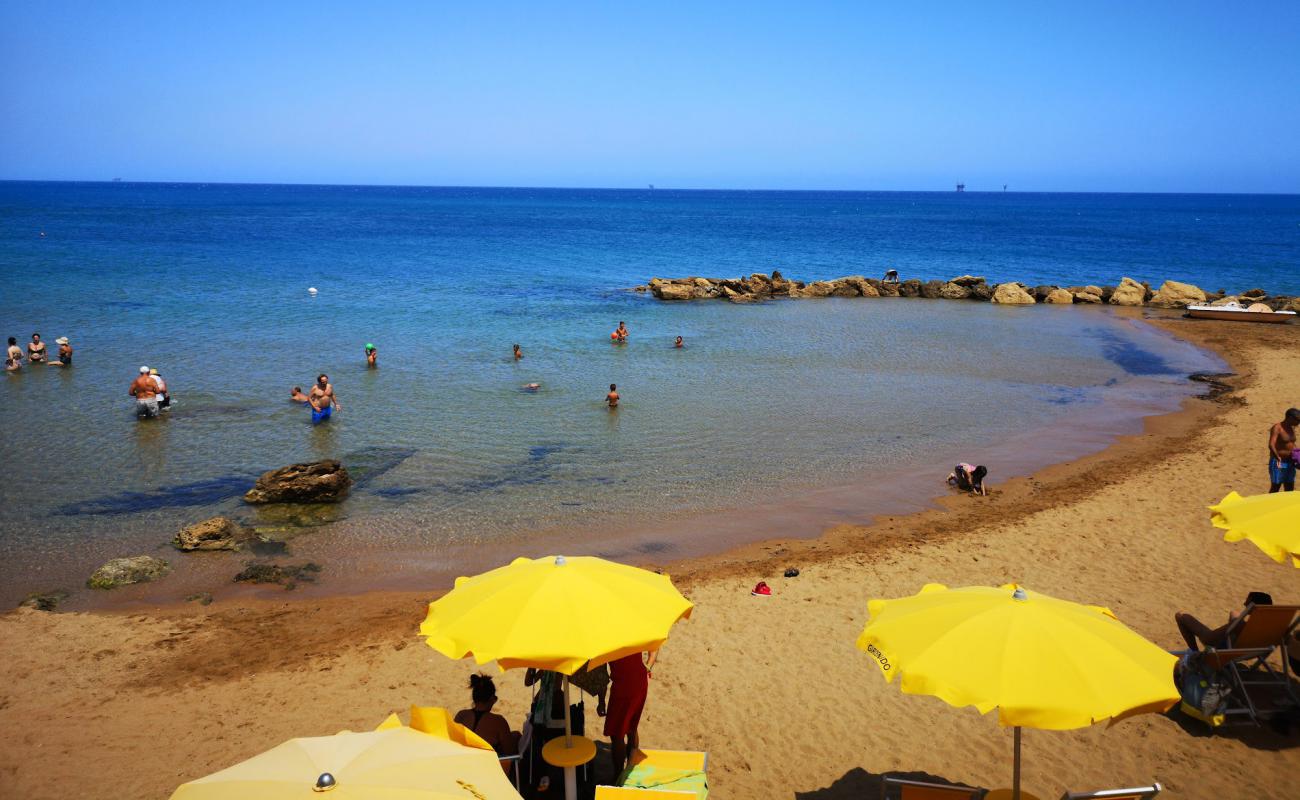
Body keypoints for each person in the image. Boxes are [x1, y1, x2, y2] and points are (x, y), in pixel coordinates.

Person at [606, 651, 656, 775]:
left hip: (624, 686)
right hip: (640, 681)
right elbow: (655, 646)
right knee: (631, 727)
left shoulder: (606, 636)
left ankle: (618, 776)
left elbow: (600, 674)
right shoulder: (633, 631)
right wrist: (648, 666)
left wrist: (601, 700)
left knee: (617, 734)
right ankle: (631, 767)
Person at [1175, 592, 1273, 651]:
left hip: (1211, 640)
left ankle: (1194, 652)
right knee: (1234, 616)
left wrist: (1235, 617)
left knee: (1180, 616)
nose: (1244, 603)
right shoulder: (1273, 629)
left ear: (1253, 605)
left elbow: (1235, 622)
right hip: (1247, 651)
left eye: (1247, 603)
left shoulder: (1242, 626)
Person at [453, 674, 519, 759]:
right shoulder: (498, 721)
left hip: (460, 763)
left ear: (474, 698)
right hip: (484, 767)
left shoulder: (461, 716)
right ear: (492, 699)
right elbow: (510, 751)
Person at [1268, 408, 1298, 492]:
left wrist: (1297, 454)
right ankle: (1270, 504)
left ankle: (1288, 505)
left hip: (1290, 461)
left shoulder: (1291, 428)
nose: (1298, 423)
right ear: (1290, 418)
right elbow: (1271, 444)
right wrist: (1277, 457)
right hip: (1278, 462)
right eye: (1298, 420)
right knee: (1276, 486)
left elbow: (1291, 443)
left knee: (1289, 486)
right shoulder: (1277, 427)